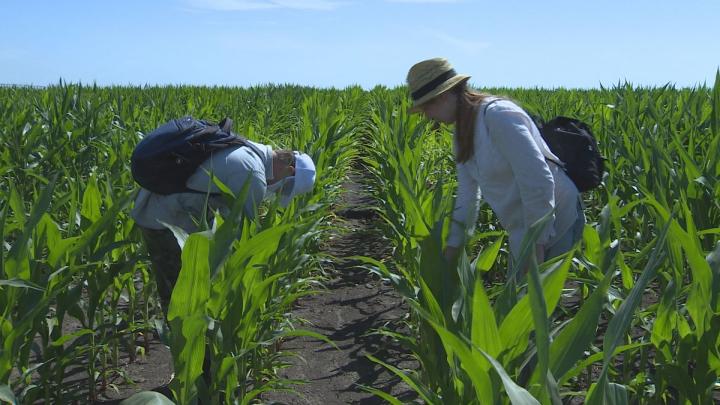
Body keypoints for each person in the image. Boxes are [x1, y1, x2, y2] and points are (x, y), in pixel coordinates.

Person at [405, 57, 585, 266]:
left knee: (537, 296)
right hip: (522, 228)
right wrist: (452, 249)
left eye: (426, 108)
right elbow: (467, 197)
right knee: (518, 296)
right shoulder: (462, 134)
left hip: (554, 218)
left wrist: (536, 245)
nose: (427, 116)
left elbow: (538, 179)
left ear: (443, 96)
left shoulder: (498, 116)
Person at [131, 139, 316, 314]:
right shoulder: (254, 175)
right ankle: (182, 342)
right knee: (181, 297)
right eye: (286, 188)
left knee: (182, 291)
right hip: (166, 219)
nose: (278, 191)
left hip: (163, 210)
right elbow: (240, 240)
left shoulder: (249, 150)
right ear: (288, 170)